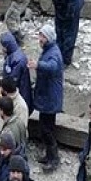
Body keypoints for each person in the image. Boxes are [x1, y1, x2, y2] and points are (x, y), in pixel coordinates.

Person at [28, 24, 63, 172]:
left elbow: (53, 67)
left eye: (41, 36)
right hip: (48, 98)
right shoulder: (50, 50)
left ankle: (53, 159)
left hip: (50, 98)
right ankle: (49, 156)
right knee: (46, 128)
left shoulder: (53, 53)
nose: (39, 39)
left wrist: (38, 65)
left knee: (47, 130)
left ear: (47, 38)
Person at [0, 33, 33, 112]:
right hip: (16, 93)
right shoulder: (11, 55)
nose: (2, 49)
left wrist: (2, 86)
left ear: (7, 46)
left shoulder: (18, 60)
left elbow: (13, 80)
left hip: (20, 95)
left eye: (3, 47)